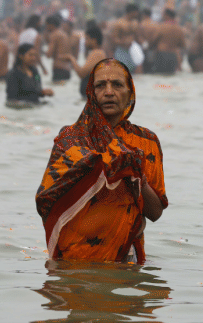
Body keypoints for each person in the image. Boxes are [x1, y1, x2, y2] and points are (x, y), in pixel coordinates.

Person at [36, 58, 167, 263]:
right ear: (91, 93)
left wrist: (136, 175)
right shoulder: (70, 139)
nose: (108, 92)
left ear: (130, 93)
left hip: (124, 260)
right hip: (72, 260)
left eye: (117, 85)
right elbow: (46, 201)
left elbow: (156, 213)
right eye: (100, 85)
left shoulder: (145, 142)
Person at [66, 25, 107, 97]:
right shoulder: (97, 53)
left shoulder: (96, 53)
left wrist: (71, 59)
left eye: (87, 39)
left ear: (94, 40)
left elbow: (82, 73)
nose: (85, 42)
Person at [151, 9, 185, 74]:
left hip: (161, 55)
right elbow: (182, 45)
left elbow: (153, 40)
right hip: (173, 56)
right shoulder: (179, 29)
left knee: (160, 77)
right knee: (170, 76)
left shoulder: (162, 26)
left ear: (167, 15)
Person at [109, 3, 141, 72]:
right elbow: (114, 39)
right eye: (136, 12)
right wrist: (123, 43)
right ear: (132, 12)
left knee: (136, 74)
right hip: (121, 51)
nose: (137, 14)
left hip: (133, 51)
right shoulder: (119, 23)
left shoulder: (135, 23)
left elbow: (138, 38)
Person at [45, 15, 72, 83]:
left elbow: (49, 54)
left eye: (46, 25)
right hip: (68, 69)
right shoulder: (64, 34)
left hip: (59, 68)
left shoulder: (54, 35)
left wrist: (41, 52)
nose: (46, 27)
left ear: (51, 25)